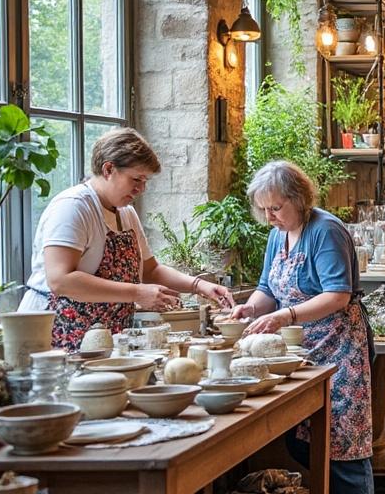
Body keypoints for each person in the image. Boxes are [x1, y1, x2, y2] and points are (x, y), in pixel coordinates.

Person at [230, 160, 375, 494]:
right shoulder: (279, 235)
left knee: (345, 450)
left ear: (298, 199)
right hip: (299, 350)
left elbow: (337, 294)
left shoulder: (325, 231)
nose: (269, 217)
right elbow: (267, 288)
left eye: (275, 208)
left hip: (339, 347)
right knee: (302, 441)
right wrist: (251, 308)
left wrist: (283, 316)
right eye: (264, 210)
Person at [20, 128, 234, 349]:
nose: (142, 188)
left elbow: (150, 271)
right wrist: (136, 292)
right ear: (108, 169)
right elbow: (60, 280)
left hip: (104, 336)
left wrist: (199, 285)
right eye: (136, 179)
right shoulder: (73, 207)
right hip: (57, 331)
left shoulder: (126, 213)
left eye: (145, 180)